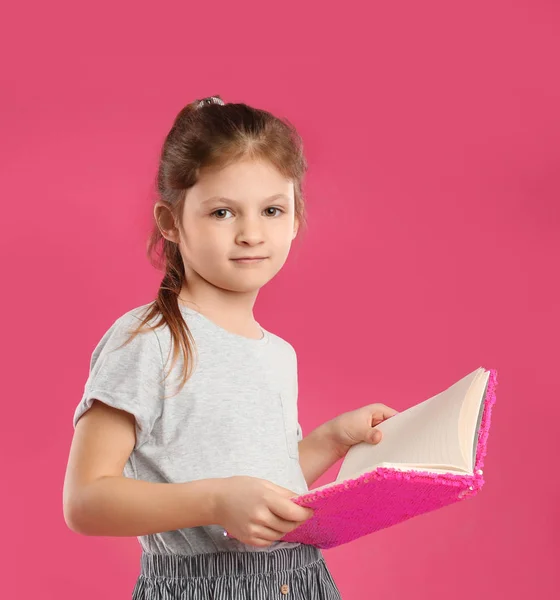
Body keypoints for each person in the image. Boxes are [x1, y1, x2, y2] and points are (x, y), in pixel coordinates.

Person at [63, 95, 398, 599]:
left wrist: (332, 439)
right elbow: (86, 500)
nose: (250, 233)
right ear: (171, 222)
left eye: (271, 210)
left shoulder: (278, 353)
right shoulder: (149, 341)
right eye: (223, 212)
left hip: (301, 582)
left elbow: (260, 484)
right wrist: (217, 502)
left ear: (295, 218)